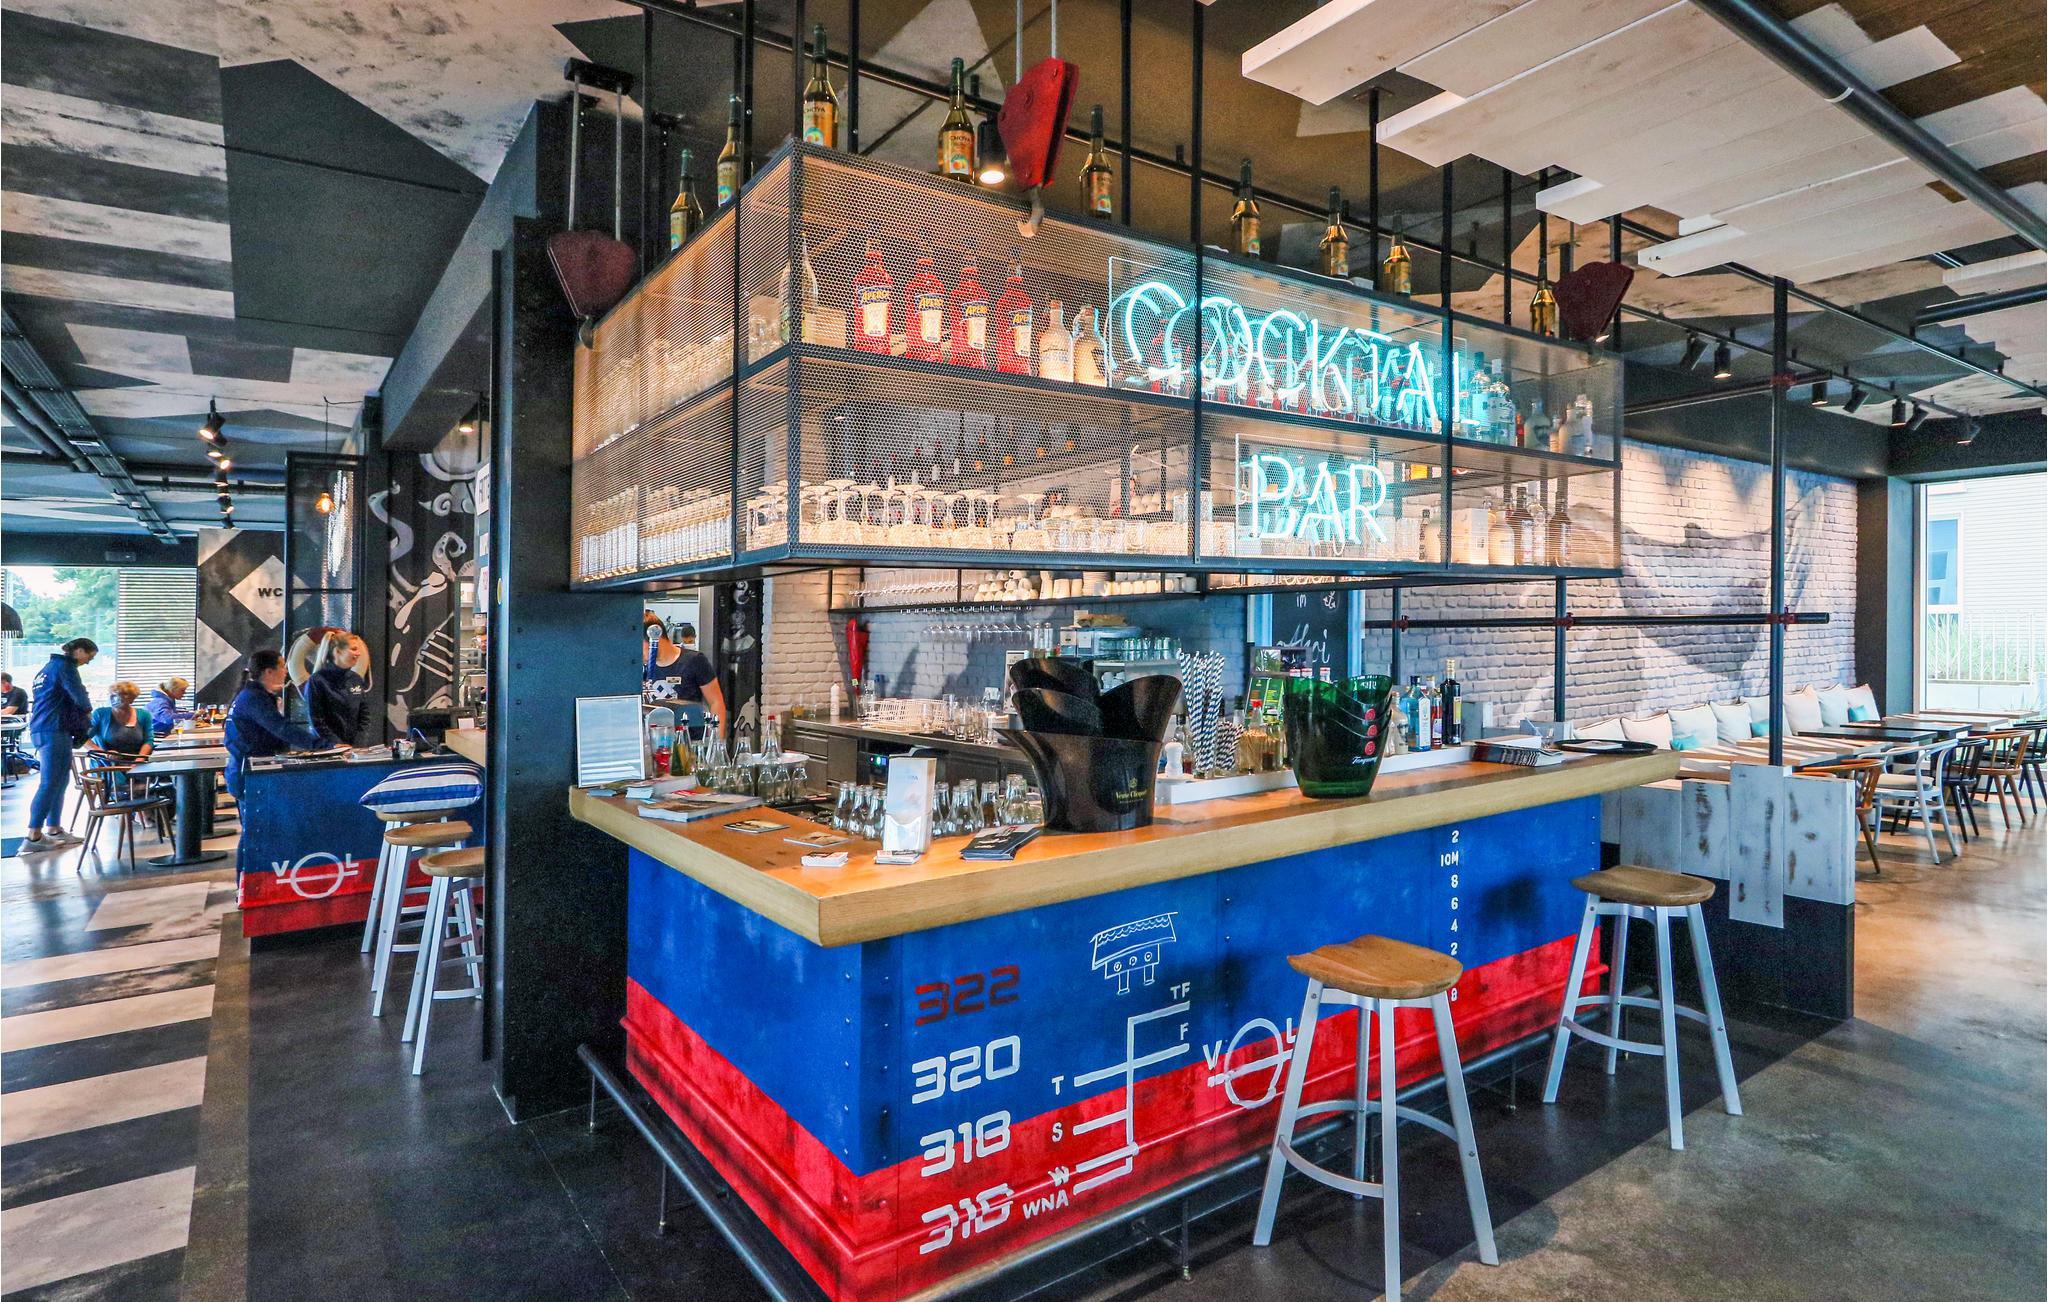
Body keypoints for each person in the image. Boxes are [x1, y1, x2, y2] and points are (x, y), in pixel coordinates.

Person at [22, 637, 97, 852]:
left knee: (60, 781)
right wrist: (88, 716)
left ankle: (54, 828)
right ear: (79, 650)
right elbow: (79, 697)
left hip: (42, 728)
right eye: (89, 656)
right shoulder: (66, 667)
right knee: (49, 782)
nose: (89, 661)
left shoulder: (47, 669)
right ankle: (34, 836)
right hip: (54, 729)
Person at [224, 648, 327, 803]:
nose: (286, 671)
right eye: (282, 666)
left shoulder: (252, 694)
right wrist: (323, 746)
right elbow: (282, 728)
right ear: (269, 672)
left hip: (244, 770)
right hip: (248, 774)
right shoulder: (254, 698)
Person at [644, 616, 725, 730]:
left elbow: (715, 702)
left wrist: (717, 738)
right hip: (655, 737)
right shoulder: (642, 668)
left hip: (690, 737)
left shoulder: (695, 660)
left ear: (655, 637)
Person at [302, 630, 371, 746]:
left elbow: (364, 716)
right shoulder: (317, 681)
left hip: (355, 749)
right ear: (337, 652)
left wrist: (358, 744)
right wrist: (337, 745)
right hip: (327, 749)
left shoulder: (356, 679)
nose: (359, 653)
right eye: (354, 649)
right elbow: (317, 721)